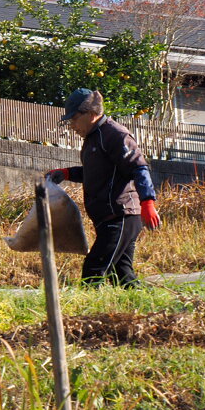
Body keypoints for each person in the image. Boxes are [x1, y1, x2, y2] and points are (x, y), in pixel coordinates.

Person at [47, 88, 160, 287]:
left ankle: (84, 315)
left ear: (91, 114)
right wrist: (66, 174)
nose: (72, 125)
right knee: (122, 275)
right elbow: (98, 174)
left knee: (94, 269)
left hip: (121, 215)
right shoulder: (94, 138)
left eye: (74, 118)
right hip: (110, 217)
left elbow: (139, 168)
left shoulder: (115, 135)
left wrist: (148, 202)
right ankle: (147, 313)